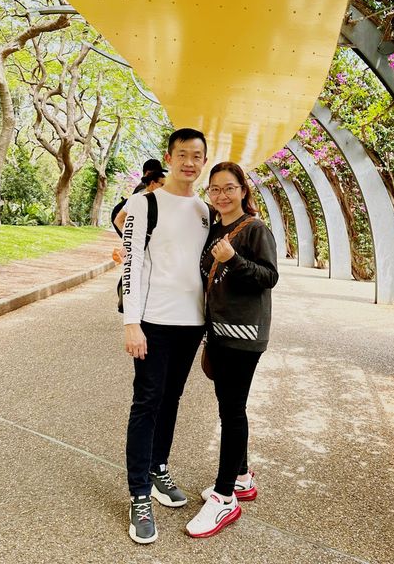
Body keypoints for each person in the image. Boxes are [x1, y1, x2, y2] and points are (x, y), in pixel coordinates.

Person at [122, 128, 210, 544]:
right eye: (182, 155)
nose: (189, 163)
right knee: (146, 402)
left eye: (197, 156)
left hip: (192, 323)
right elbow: (132, 264)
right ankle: (139, 493)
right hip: (153, 322)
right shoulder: (144, 202)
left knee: (171, 399)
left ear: (204, 161)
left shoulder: (205, 210)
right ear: (169, 157)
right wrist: (131, 322)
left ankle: (159, 468)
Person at [185, 161, 279, 539]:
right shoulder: (214, 229)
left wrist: (234, 260)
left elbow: (269, 276)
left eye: (229, 188)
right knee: (228, 405)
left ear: (243, 189)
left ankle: (225, 497)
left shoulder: (256, 230)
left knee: (232, 411)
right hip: (219, 333)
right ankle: (240, 477)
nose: (221, 195)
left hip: (243, 335)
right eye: (215, 189)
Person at [112, 170, 165, 238]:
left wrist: (129, 238)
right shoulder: (148, 201)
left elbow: (118, 220)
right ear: (153, 183)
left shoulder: (134, 198)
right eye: (162, 185)